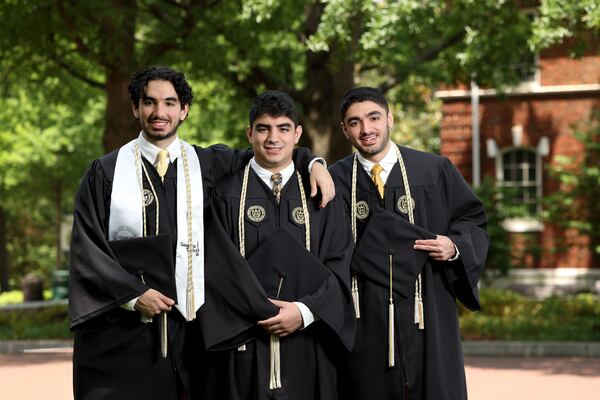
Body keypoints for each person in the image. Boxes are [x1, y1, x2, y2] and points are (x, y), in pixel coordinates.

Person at [68, 66, 335, 400]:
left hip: (190, 334)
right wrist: (134, 295)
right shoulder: (105, 172)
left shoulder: (205, 163)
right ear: (135, 108)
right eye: (149, 102)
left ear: (184, 110)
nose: (159, 112)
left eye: (169, 103)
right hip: (123, 335)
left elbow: (269, 151)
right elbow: (86, 248)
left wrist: (313, 162)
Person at [329, 87, 489, 400]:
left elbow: (472, 220)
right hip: (364, 315)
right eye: (355, 122)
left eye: (374, 117)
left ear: (389, 118)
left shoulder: (433, 170)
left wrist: (454, 245)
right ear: (344, 130)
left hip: (426, 307)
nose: (366, 129)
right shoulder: (333, 180)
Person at [196, 90, 355, 400]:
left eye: (283, 128)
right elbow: (215, 267)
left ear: (297, 134)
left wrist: (305, 310)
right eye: (263, 128)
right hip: (243, 345)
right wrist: (260, 311)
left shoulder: (321, 194)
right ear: (249, 133)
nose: (273, 138)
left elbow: (340, 262)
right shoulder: (225, 194)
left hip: (308, 343)